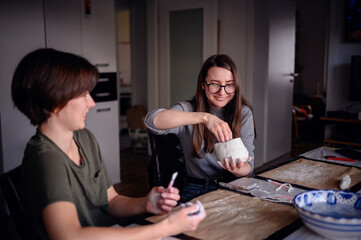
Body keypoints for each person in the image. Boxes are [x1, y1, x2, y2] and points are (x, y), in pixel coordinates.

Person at [11, 48, 205, 240]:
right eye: (82, 94)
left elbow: (111, 200)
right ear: (53, 100)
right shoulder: (46, 159)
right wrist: (165, 228)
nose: (92, 102)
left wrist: (146, 203)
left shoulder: (84, 138)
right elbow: (69, 235)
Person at [145, 54, 256, 201]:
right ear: (203, 85)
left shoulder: (244, 113)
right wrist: (204, 118)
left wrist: (237, 169)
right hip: (196, 188)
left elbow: (249, 167)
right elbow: (151, 121)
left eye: (229, 84)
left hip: (233, 186)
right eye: (215, 84)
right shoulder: (188, 109)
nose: (222, 92)